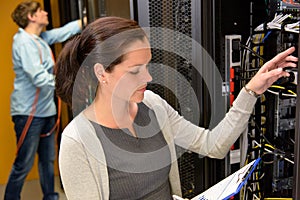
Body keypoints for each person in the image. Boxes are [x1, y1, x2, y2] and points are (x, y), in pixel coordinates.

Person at [55, 16, 298, 200]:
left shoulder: (153, 106)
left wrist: (252, 90)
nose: (148, 77)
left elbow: (213, 145)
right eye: (135, 70)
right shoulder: (78, 141)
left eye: (147, 65)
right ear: (102, 73)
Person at [4, 1, 84, 200]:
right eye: (40, 11)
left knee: (47, 160)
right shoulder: (23, 42)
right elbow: (39, 78)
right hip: (29, 113)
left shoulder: (39, 39)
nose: (45, 13)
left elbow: (59, 34)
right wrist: (68, 84)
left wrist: (82, 22)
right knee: (24, 163)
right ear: (31, 17)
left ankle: (50, 196)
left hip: (46, 111)